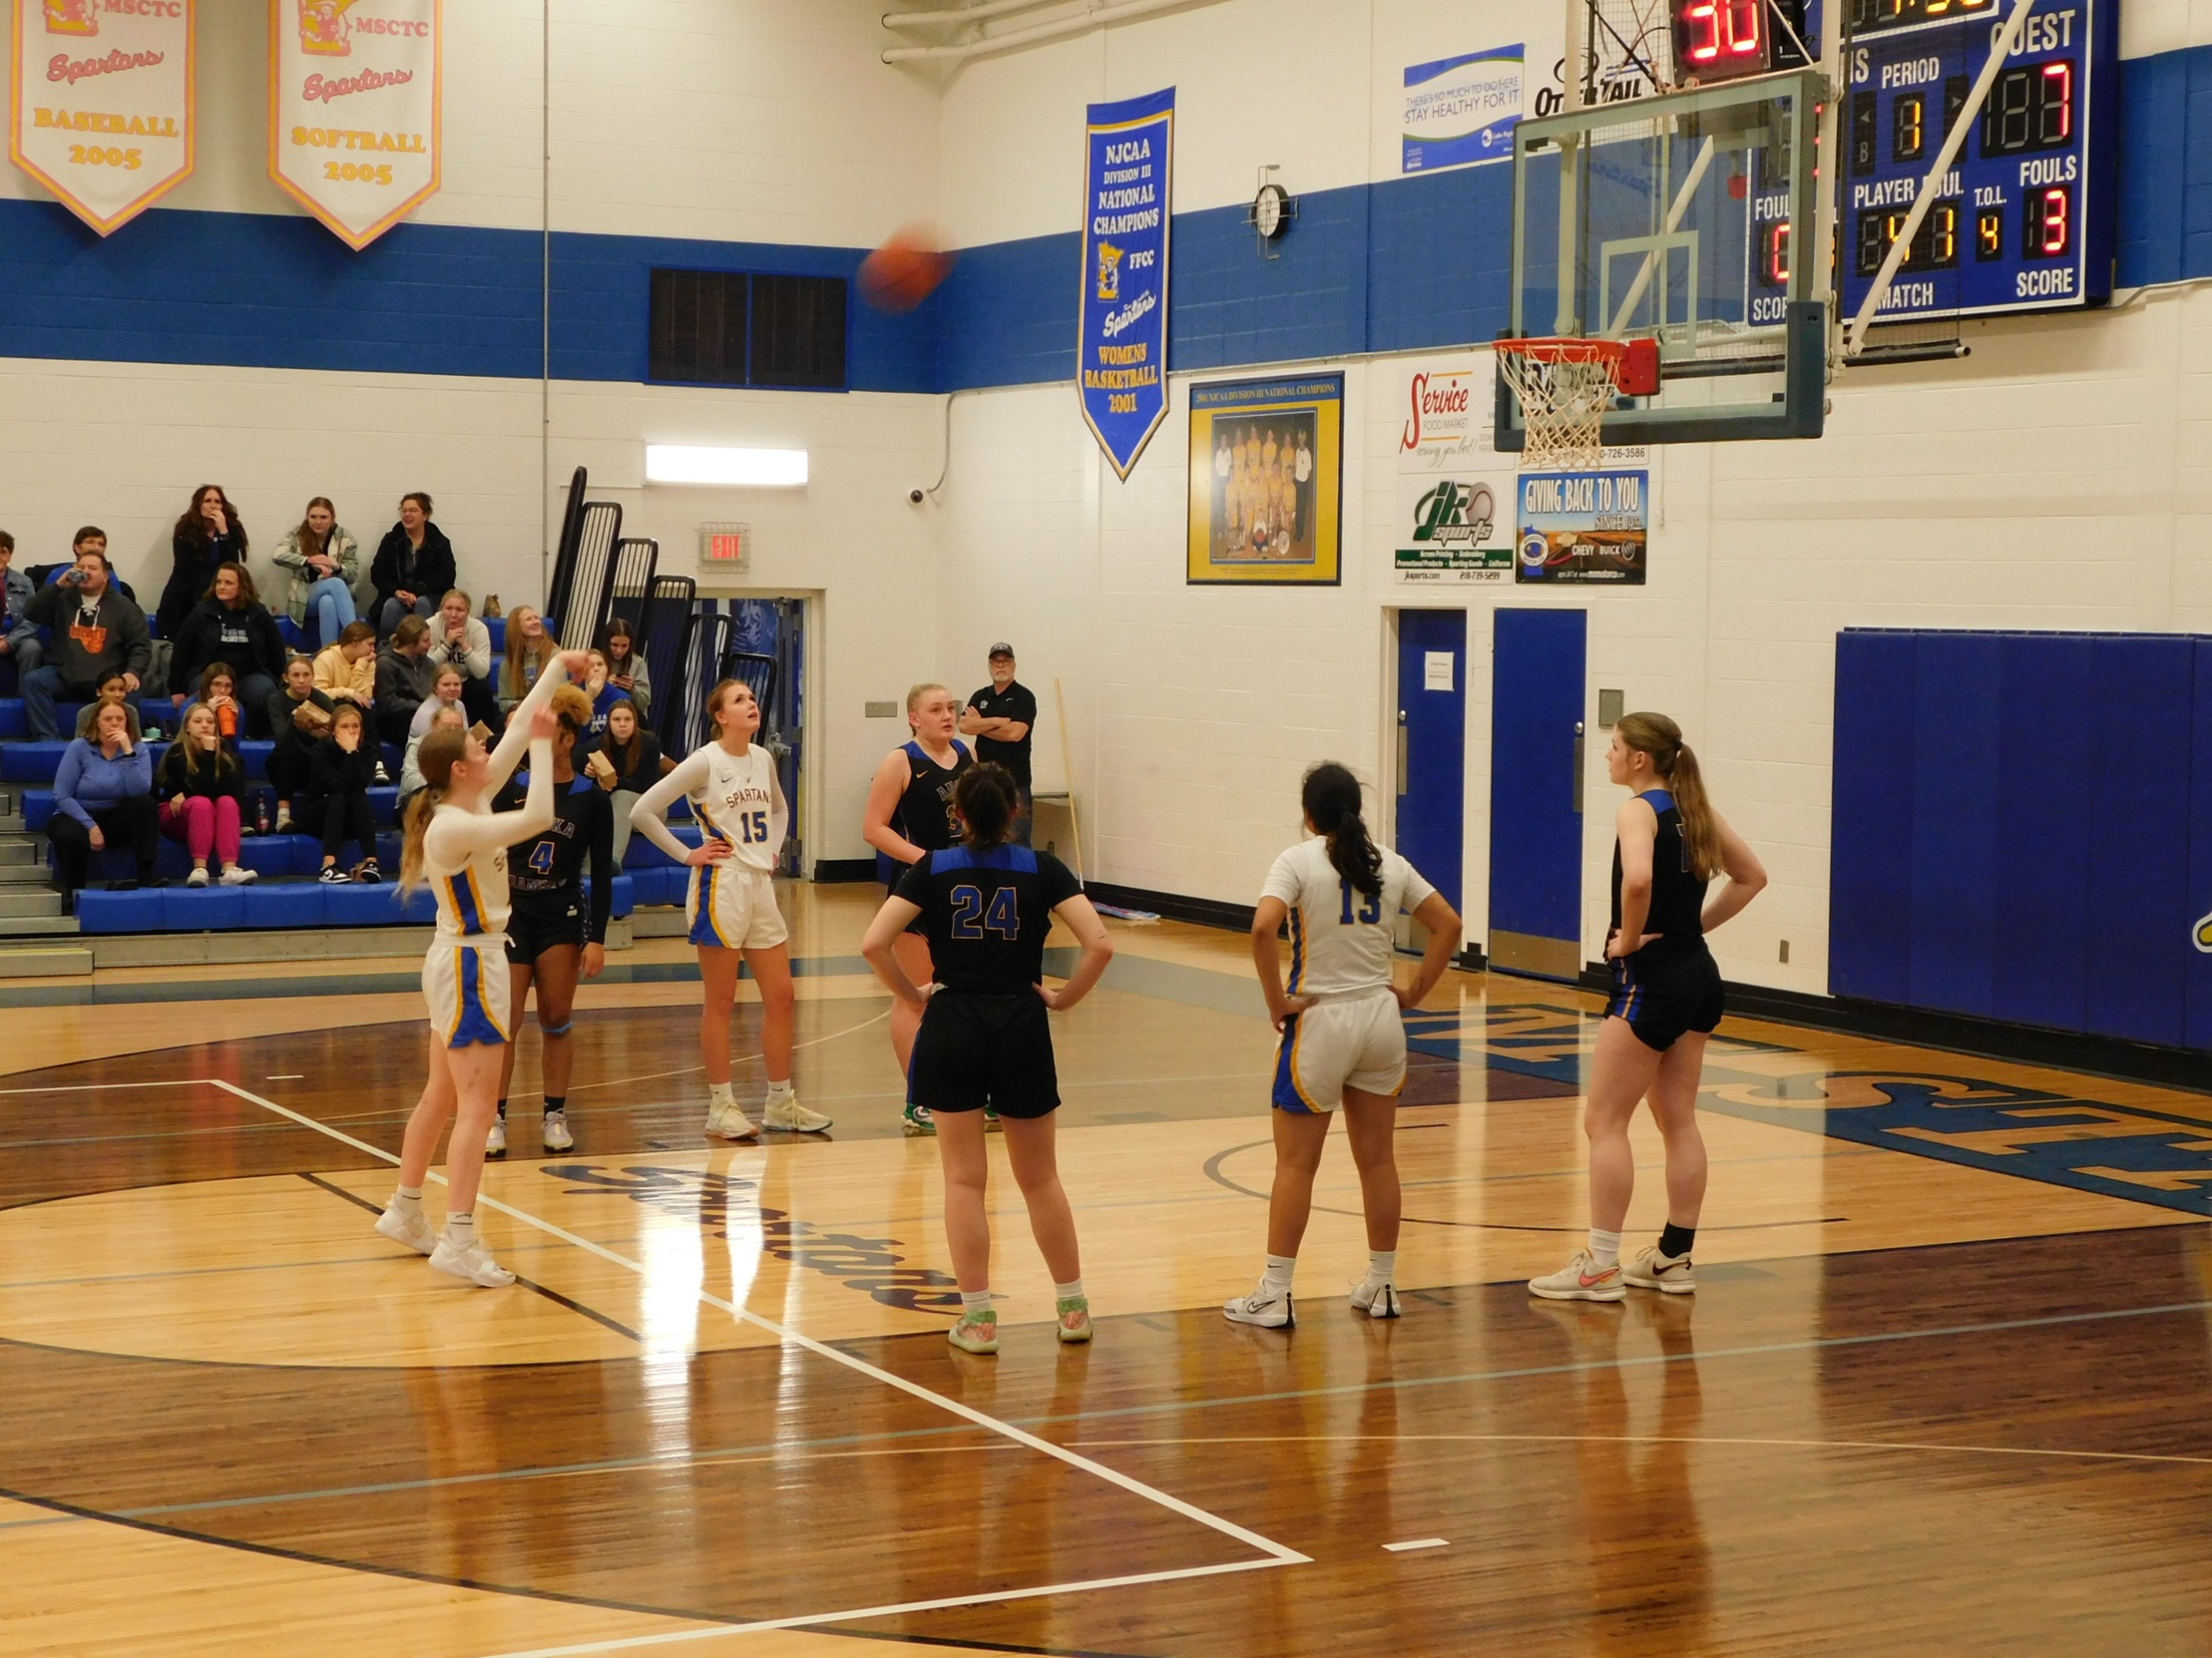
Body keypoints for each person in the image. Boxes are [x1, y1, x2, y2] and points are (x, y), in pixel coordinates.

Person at [859, 763, 1114, 1356]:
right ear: (1015, 812)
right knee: (1041, 1177)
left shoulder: (934, 867)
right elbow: (1100, 944)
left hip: (954, 1022)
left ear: (960, 815)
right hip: (1021, 1023)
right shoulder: (1042, 867)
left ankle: (977, 1321)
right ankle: (1073, 1309)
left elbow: (873, 943)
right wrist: (1063, 999)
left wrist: (910, 993)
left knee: (963, 1179)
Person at [1530, 713, 1767, 1303]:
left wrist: (1632, 938)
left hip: (1653, 980)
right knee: (1678, 1119)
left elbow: (1636, 881)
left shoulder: (1639, 810)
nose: (1606, 755)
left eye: (1613, 747)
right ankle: (1672, 1258)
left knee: (1604, 1121)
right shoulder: (1696, 810)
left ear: (1640, 759)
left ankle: (1600, 1266)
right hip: (1698, 975)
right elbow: (1752, 877)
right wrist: (1691, 927)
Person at [370, 650, 586, 1287]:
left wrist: (557, 668)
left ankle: (407, 1208)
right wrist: (547, 750)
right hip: (472, 964)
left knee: (442, 1095)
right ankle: (460, 1237)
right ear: (461, 768)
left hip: (460, 959)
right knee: (476, 1106)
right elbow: (542, 816)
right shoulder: (455, 826)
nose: (493, 747)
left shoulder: (471, 797)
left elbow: (520, 728)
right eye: (479, 746)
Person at [1223, 762, 1463, 1329]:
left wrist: (1275, 1001)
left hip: (1321, 1022)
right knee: (1379, 1161)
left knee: (1295, 1165)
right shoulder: (1392, 862)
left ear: (1309, 816)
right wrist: (1416, 992)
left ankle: (1276, 1293)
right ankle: (1381, 1285)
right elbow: (1448, 925)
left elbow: (1261, 929)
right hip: (1381, 1020)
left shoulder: (1297, 861)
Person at [631, 677, 831, 1139]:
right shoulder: (705, 760)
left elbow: (779, 811)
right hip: (720, 884)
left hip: (759, 884)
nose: (751, 703)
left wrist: (775, 849)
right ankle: (720, 1107)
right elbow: (643, 810)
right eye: (740, 699)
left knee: (782, 995)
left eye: (753, 697)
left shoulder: (761, 758)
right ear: (720, 715)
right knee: (722, 1001)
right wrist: (686, 854)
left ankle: (781, 1103)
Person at [491, 684, 615, 1158]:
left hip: (561, 912)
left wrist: (597, 938)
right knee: (506, 1018)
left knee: (556, 1017)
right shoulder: (513, 789)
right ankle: (493, 1117)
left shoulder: (591, 797)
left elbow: (601, 872)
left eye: (549, 735)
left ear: (567, 740)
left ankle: (555, 1114)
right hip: (514, 912)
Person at [860, 683, 974, 1135]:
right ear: (914, 718)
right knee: (916, 995)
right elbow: (873, 828)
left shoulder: (966, 753)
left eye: (951, 708)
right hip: (919, 886)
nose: (947, 715)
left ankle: (964, 1090)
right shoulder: (900, 761)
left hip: (963, 887)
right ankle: (919, 1098)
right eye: (936, 709)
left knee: (960, 994)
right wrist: (926, 860)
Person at [20, 544, 152, 742]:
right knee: (33, 681)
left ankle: (112, 739)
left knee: (132, 690)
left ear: (106, 575)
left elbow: (141, 645)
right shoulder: (61, 598)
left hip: (106, 678)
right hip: (66, 674)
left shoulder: (125, 607)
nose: (86, 572)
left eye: (92, 568)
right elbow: (31, 613)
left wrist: (132, 672)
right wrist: (58, 586)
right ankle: (48, 740)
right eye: (81, 567)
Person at [49, 699, 160, 896]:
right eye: (108, 719)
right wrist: (90, 826)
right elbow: (62, 795)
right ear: (97, 722)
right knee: (68, 833)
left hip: (116, 817)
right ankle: (74, 891)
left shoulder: (138, 749)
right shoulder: (79, 747)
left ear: (127, 722)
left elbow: (139, 791)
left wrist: (128, 753)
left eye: (120, 719)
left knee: (146, 804)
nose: (114, 723)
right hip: (79, 815)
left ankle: (146, 875)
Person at [171, 564, 283, 734]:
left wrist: (274, 677)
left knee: (265, 690)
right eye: (218, 582)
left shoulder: (258, 613)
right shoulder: (202, 611)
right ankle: (204, 734)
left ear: (242, 586)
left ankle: (252, 736)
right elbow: (182, 649)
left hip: (248, 675)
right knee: (198, 687)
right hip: (209, 674)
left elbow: (276, 648)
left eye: (228, 583)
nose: (221, 587)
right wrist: (177, 689)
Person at [156, 702, 255, 888]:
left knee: (227, 802)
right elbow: (200, 788)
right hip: (176, 815)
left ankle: (229, 869)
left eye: (210, 721)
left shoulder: (225, 753)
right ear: (187, 726)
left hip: (209, 813)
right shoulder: (176, 753)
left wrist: (187, 792)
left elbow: (229, 790)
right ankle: (200, 868)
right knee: (201, 803)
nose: (205, 725)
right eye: (198, 721)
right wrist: (208, 755)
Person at [961, 644, 1037, 845]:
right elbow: (964, 726)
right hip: (983, 779)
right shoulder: (981, 696)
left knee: (1017, 838)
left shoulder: (1024, 697)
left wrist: (981, 724)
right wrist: (997, 721)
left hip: (1015, 781)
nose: (1000, 665)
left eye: (1005, 661)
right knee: (982, 835)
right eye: (996, 661)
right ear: (989, 665)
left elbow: (1015, 733)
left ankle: (1020, 876)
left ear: (1014, 665)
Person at [303, 702, 382, 884]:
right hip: (319, 815)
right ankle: (328, 865)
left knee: (357, 795)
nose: (351, 731)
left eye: (355, 726)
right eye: (344, 726)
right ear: (333, 730)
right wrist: (349, 753)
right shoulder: (320, 750)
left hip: (350, 817)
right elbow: (337, 785)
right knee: (340, 796)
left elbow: (360, 784)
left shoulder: (368, 751)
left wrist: (352, 752)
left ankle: (372, 862)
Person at [157, 485, 247, 639]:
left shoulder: (231, 528)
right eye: (207, 501)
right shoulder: (185, 528)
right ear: (199, 504)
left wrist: (224, 532)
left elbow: (233, 566)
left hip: (219, 595)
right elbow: (184, 566)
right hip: (185, 595)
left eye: (217, 501)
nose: (213, 505)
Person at [270, 497, 361, 647]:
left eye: (323, 517)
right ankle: (356, 638)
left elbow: (352, 575)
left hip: (333, 598)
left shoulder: (345, 537)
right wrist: (308, 561)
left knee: (328, 602)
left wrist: (335, 565)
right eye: (313, 517)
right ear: (307, 517)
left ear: (332, 518)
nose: (317, 522)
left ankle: (328, 654)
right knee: (335, 583)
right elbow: (277, 555)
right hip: (304, 600)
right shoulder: (297, 534)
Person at [593, 697, 671, 864]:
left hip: (651, 809)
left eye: (627, 719)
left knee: (620, 796)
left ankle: (613, 859)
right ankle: (584, 868)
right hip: (620, 811)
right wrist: (591, 774)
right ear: (609, 723)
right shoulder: (600, 744)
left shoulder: (648, 742)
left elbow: (645, 784)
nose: (622, 724)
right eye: (617, 719)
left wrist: (613, 782)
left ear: (635, 722)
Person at [368, 492, 455, 636]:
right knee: (391, 605)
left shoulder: (440, 542)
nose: (407, 514)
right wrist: (396, 591)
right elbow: (377, 574)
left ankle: (424, 652)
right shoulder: (391, 540)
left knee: (422, 604)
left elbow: (447, 577)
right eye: (404, 510)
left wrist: (416, 592)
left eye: (413, 510)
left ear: (425, 515)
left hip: (429, 595)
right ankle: (385, 651)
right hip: (396, 594)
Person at [266, 653, 333, 832]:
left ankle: (311, 815)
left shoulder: (322, 699)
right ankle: (283, 816)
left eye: (306, 675)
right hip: (284, 760)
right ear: (286, 678)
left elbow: (334, 735)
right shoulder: (276, 700)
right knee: (287, 751)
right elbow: (281, 738)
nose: (301, 680)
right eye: (296, 675)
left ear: (313, 677)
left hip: (312, 761)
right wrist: (296, 719)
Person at [426, 589, 498, 727]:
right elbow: (428, 667)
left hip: (466, 680)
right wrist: (447, 644)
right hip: (438, 681)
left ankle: (481, 735)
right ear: (441, 609)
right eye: (448, 608)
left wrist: (464, 645)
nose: (453, 614)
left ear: (468, 612)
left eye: (460, 610)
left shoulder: (478, 629)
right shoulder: (430, 626)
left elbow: (481, 672)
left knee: (482, 688)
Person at [375, 615, 438, 746]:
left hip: (424, 713)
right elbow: (387, 703)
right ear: (411, 644)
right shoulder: (386, 663)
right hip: (396, 720)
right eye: (425, 641)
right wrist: (420, 707)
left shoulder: (428, 663)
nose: (430, 644)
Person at [402, 703, 467, 808]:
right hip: (421, 798)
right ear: (434, 726)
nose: (452, 731)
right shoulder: (418, 744)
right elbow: (411, 781)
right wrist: (444, 785)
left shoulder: (467, 747)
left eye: (458, 727)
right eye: (447, 726)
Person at [498, 605, 559, 711]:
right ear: (517, 626)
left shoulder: (555, 655)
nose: (536, 622)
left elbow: (561, 694)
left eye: (536, 617)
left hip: (548, 711)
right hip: (520, 713)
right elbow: (504, 702)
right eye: (529, 619)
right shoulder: (507, 665)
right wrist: (523, 708)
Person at [313, 619, 378, 714]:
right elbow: (317, 695)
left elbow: (364, 697)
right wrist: (348, 693)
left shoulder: (368, 662)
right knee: (342, 703)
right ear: (355, 642)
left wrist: (359, 667)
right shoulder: (326, 659)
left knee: (363, 708)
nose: (373, 649)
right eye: (370, 644)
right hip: (326, 711)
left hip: (355, 713)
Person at [0, 530, 38, 686]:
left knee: (32, 648)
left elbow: (33, 618)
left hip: (17, 638)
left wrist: (10, 640)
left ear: (10, 555)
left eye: (3, 552)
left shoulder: (24, 582)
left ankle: (25, 697)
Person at [599, 618, 653, 718]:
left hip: (629, 718)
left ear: (630, 644)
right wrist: (606, 686)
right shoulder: (596, 660)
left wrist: (632, 689)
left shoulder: (638, 663)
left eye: (624, 645)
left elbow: (644, 704)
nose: (619, 650)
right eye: (615, 645)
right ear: (607, 642)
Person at [72, 667, 142, 743]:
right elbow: (78, 744)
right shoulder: (86, 712)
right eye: (111, 689)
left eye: (121, 689)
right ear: (99, 692)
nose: (117, 694)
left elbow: (137, 742)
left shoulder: (131, 711)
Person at [409, 663, 469, 741]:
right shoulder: (426, 714)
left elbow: (464, 734)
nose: (452, 688)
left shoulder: (459, 705)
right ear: (435, 688)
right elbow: (429, 747)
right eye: (446, 685)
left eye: (456, 684)